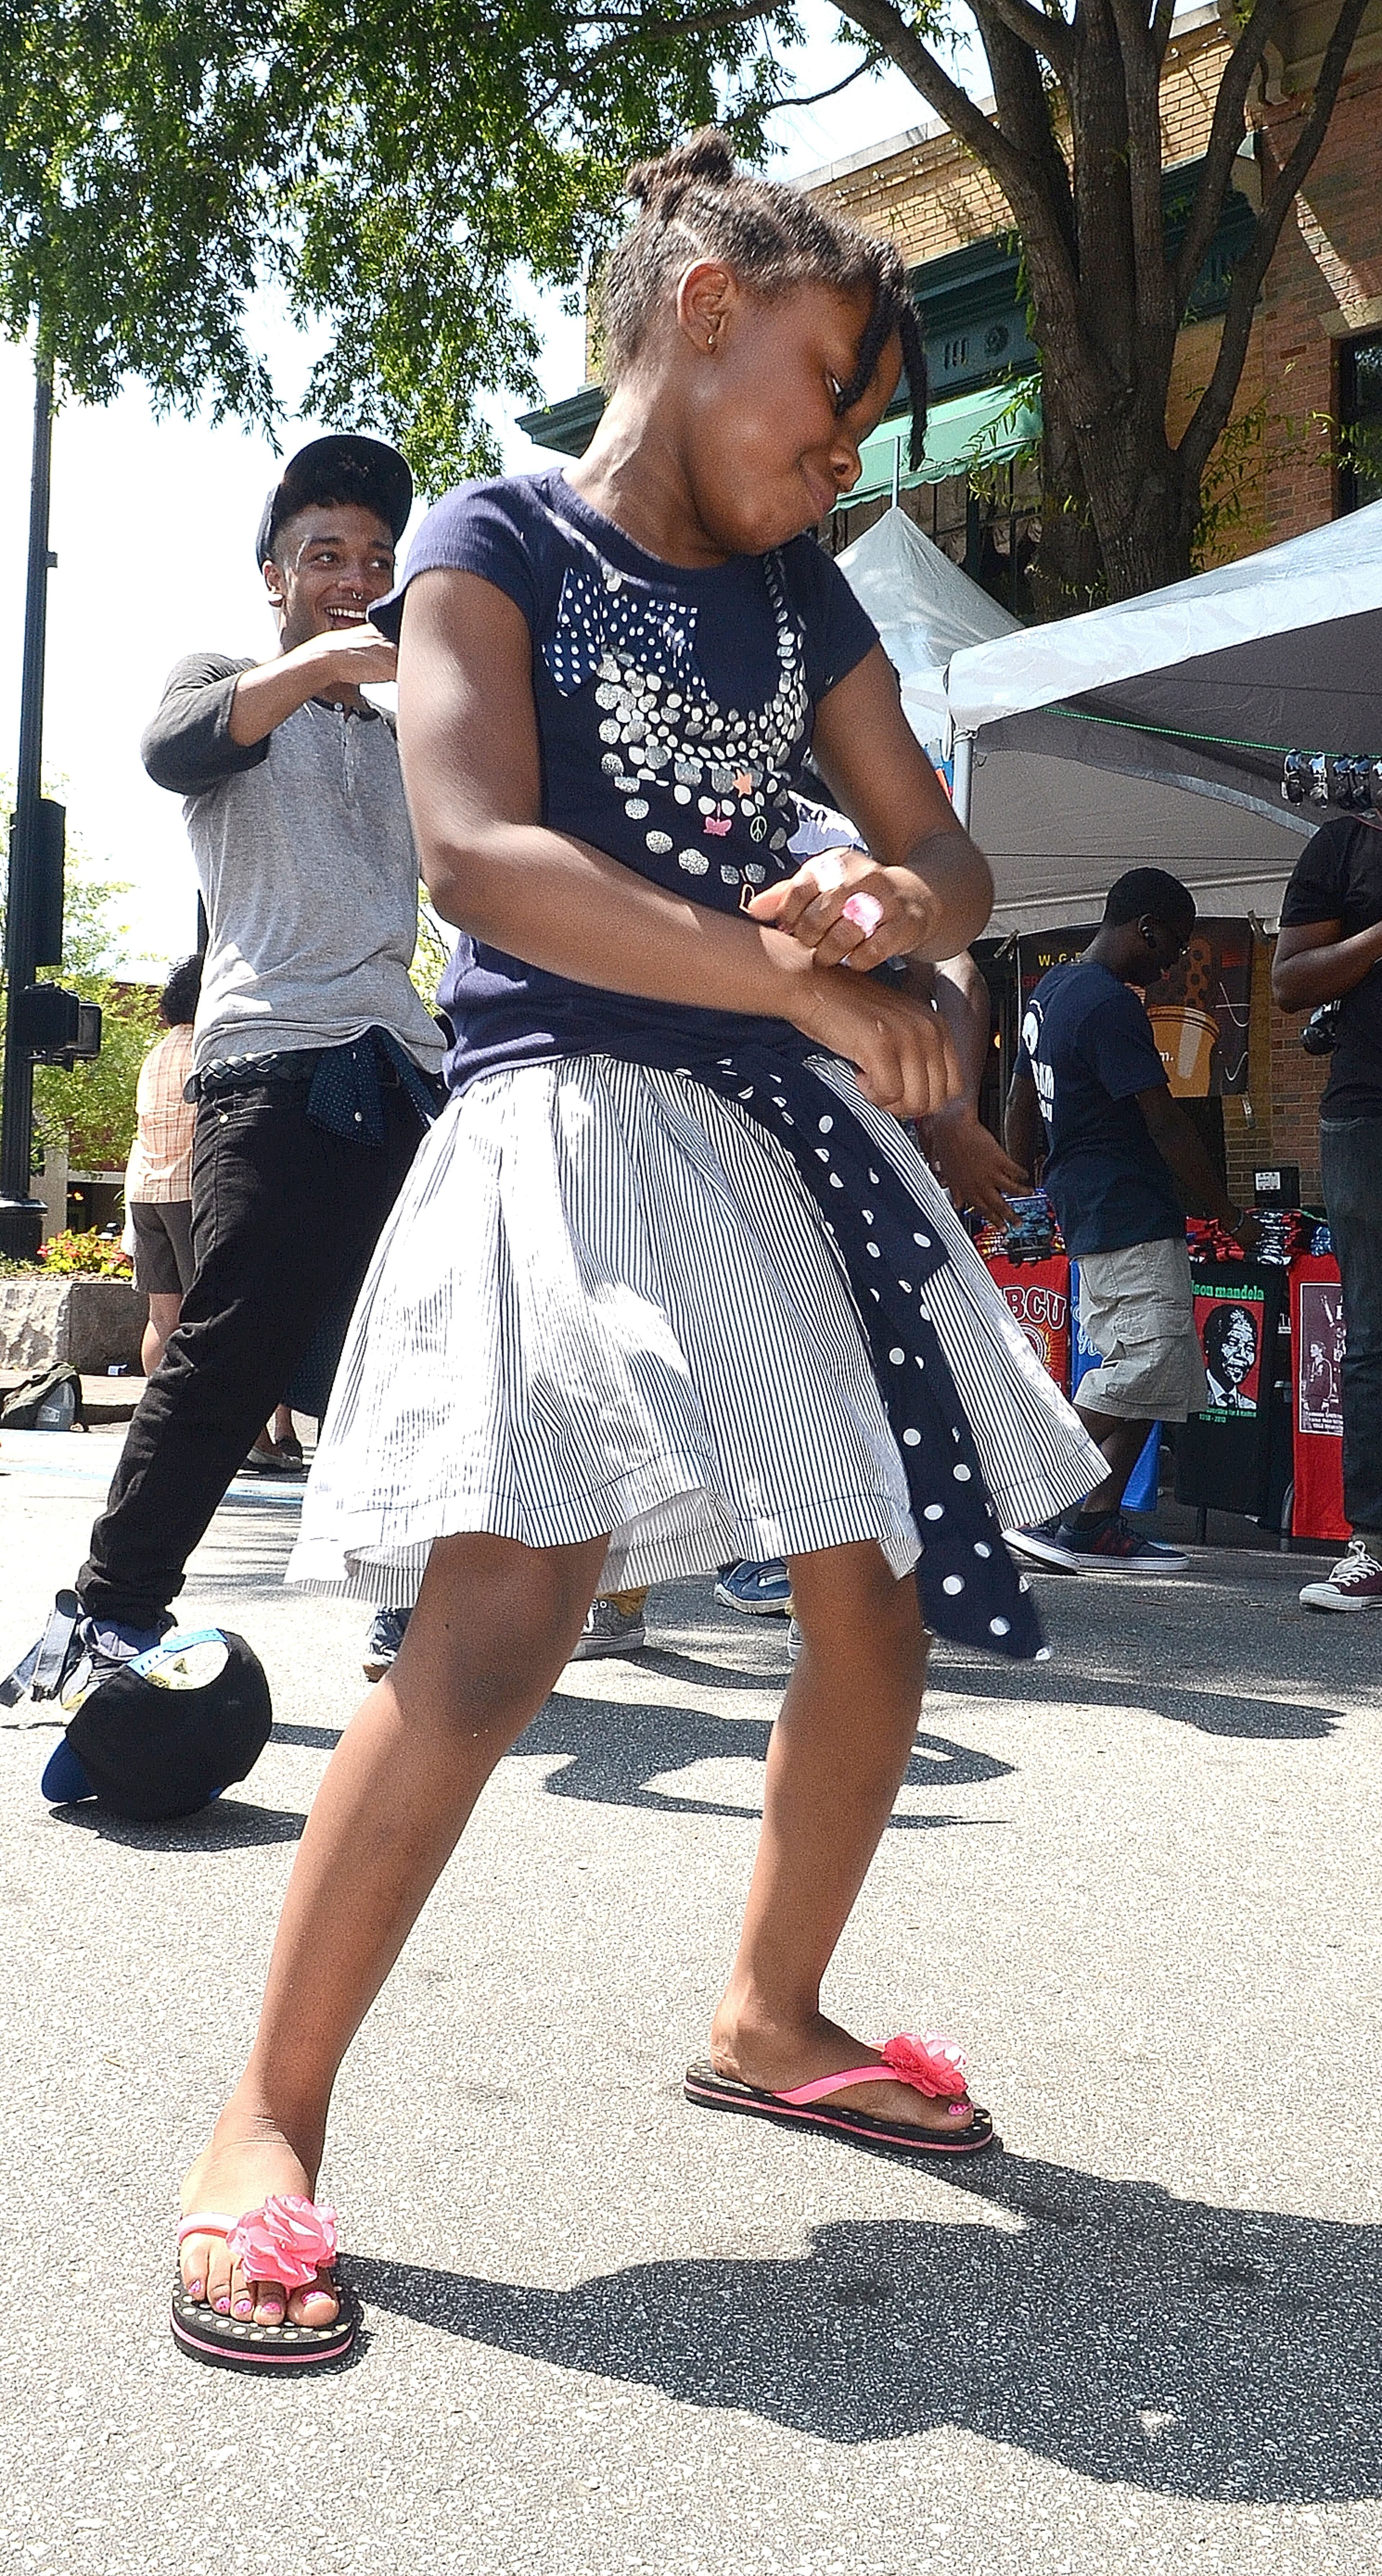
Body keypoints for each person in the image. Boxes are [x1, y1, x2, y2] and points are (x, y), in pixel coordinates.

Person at [170, 132, 1102, 2371]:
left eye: (873, 422)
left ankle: (775, 2009)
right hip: (565, 1122)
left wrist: (893, 908)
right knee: (500, 1624)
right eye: (827, 394)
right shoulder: (496, 543)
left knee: (867, 1587)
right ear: (700, 325)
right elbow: (480, 859)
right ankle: (259, 2122)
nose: (845, 448)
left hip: (767, 1137)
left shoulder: (808, 604)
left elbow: (947, 860)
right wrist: (791, 973)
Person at [61, 435, 445, 1719]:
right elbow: (172, 750)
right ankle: (109, 1611)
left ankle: (408, 1591)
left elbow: (485, 858)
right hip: (272, 1066)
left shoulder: (406, 730)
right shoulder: (228, 683)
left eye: (376, 560)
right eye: (324, 555)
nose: (353, 577)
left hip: (405, 1070)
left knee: (412, 1348)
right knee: (235, 1343)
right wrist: (328, 660)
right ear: (273, 574)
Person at [1004, 868, 1257, 1574]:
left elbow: (1020, 1100)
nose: (1173, 964)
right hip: (1131, 1209)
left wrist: (1023, 1188)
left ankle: (1095, 1525)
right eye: (1173, 948)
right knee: (1145, 1363)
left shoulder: (1047, 994)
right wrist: (1230, 1214)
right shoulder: (1109, 1003)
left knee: (1167, 1370)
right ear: (1145, 927)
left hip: (1089, 1209)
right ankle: (1026, 1498)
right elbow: (1166, 1122)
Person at [1273, 808, 1382, 1611]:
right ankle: (1373, 1544)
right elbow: (1290, 982)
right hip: (1370, 1107)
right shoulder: (1350, 844)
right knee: (1375, 1330)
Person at [124, 954, 202, 1379]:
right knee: (203, 1313)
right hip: (189, 1190)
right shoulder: (205, 1048)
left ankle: (154, 1414)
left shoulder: (155, 1055)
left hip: (144, 1193)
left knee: (162, 1314)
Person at [1201, 1302, 1259, 1414]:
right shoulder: (1191, 1398)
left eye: (1250, 1347)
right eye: (1233, 1343)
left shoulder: (1250, 1407)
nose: (1242, 1355)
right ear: (1209, 1345)